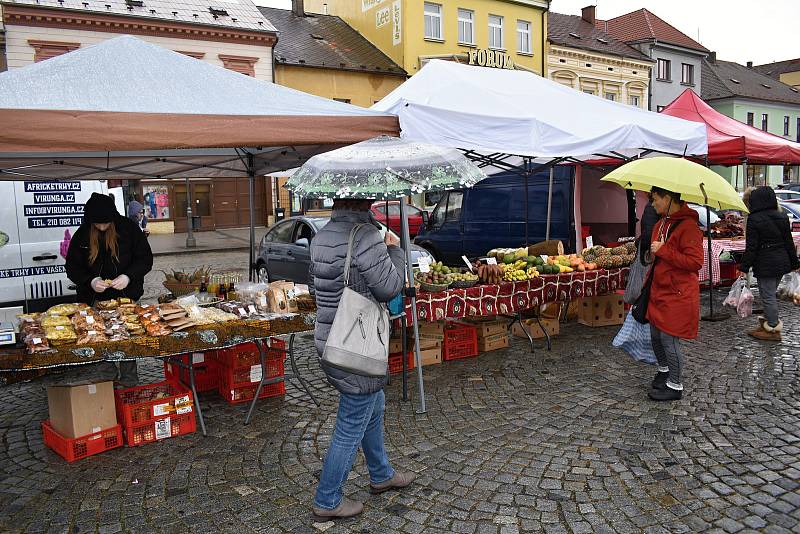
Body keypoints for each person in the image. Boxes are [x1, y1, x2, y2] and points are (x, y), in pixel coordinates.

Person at [308, 198, 416, 521]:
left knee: (375, 400)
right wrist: (394, 250)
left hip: (331, 339)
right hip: (359, 344)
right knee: (351, 420)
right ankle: (327, 499)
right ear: (362, 198)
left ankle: (381, 473)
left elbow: (315, 289)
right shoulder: (367, 237)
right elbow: (389, 287)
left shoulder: (321, 236)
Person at [66, 192, 154, 386]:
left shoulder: (129, 229)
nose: (102, 227)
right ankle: (107, 380)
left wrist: (128, 276)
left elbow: (145, 259)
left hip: (125, 298)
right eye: (98, 224)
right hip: (94, 300)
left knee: (126, 339)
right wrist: (90, 281)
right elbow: (72, 267)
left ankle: (129, 381)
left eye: (106, 223)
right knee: (101, 339)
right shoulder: (82, 234)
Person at [645, 187, 704, 402]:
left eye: (655, 199)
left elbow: (695, 262)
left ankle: (675, 384)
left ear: (668, 198)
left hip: (677, 293)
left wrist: (664, 251)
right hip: (659, 290)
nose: (652, 204)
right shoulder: (661, 224)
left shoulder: (689, 227)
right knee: (655, 336)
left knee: (669, 339)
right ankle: (664, 371)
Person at [738, 186, 800, 341]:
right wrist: (795, 262)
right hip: (782, 261)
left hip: (766, 263)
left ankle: (772, 328)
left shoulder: (754, 218)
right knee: (770, 294)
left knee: (768, 296)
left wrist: (744, 267)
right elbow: (788, 242)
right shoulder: (782, 216)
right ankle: (766, 324)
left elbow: (751, 247)